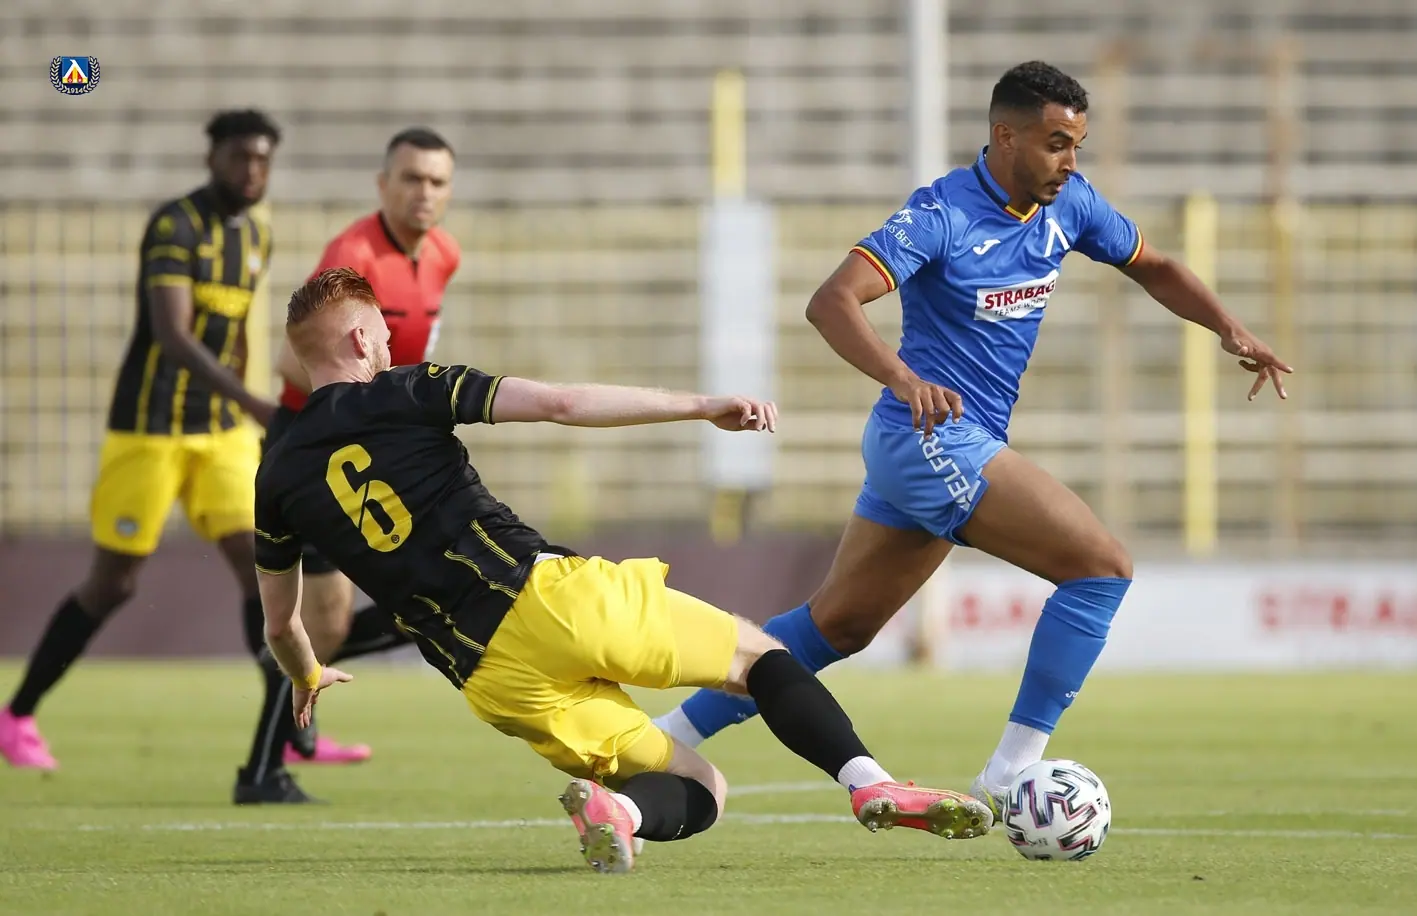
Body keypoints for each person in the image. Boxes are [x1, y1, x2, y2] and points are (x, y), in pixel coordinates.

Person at [653, 61, 1294, 818]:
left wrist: (1228, 328)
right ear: (1005, 135)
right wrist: (902, 378)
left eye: (1077, 146)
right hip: (931, 437)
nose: (1069, 162)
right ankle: (1013, 770)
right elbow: (831, 302)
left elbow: (1154, 265)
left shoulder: (1071, 205)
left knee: (837, 627)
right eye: (1055, 144)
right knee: (1100, 569)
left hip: (934, 445)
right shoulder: (942, 215)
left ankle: (659, 737)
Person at [252, 267, 994, 872]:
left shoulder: (277, 475)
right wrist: (701, 407)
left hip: (493, 681)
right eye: (382, 337)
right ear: (360, 337)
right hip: (546, 596)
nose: (388, 349)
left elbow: (281, 623)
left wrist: (306, 674)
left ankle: (622, 812)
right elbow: (562, 403)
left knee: (699, 786)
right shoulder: (406, 390)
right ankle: (870, 785)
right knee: (759, 658)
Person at [0, 110, 283, 770]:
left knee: (260, 566)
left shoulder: (256, 236)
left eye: (262, 160)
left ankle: (288, 733)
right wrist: (252, 401)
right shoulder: (174, 226)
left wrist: (245, 411)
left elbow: (237, 332)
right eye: (240, 157)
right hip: (150, 429)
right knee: (116, 581)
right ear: (212, 158)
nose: (251, 171)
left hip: (220, 433)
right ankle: (17, 715)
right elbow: (173, 335)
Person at [235, 127, 460, 794]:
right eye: (411, 178)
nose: (424, 192)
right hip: (316, 448)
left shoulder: (444, 254)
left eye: (437, 181)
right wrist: (380, 407)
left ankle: (284, 669)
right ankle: (263, 767)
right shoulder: (353, 255)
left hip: (373, 447)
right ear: (383, 184)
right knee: (338, 617)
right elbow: (290, 362)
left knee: (411, 595)